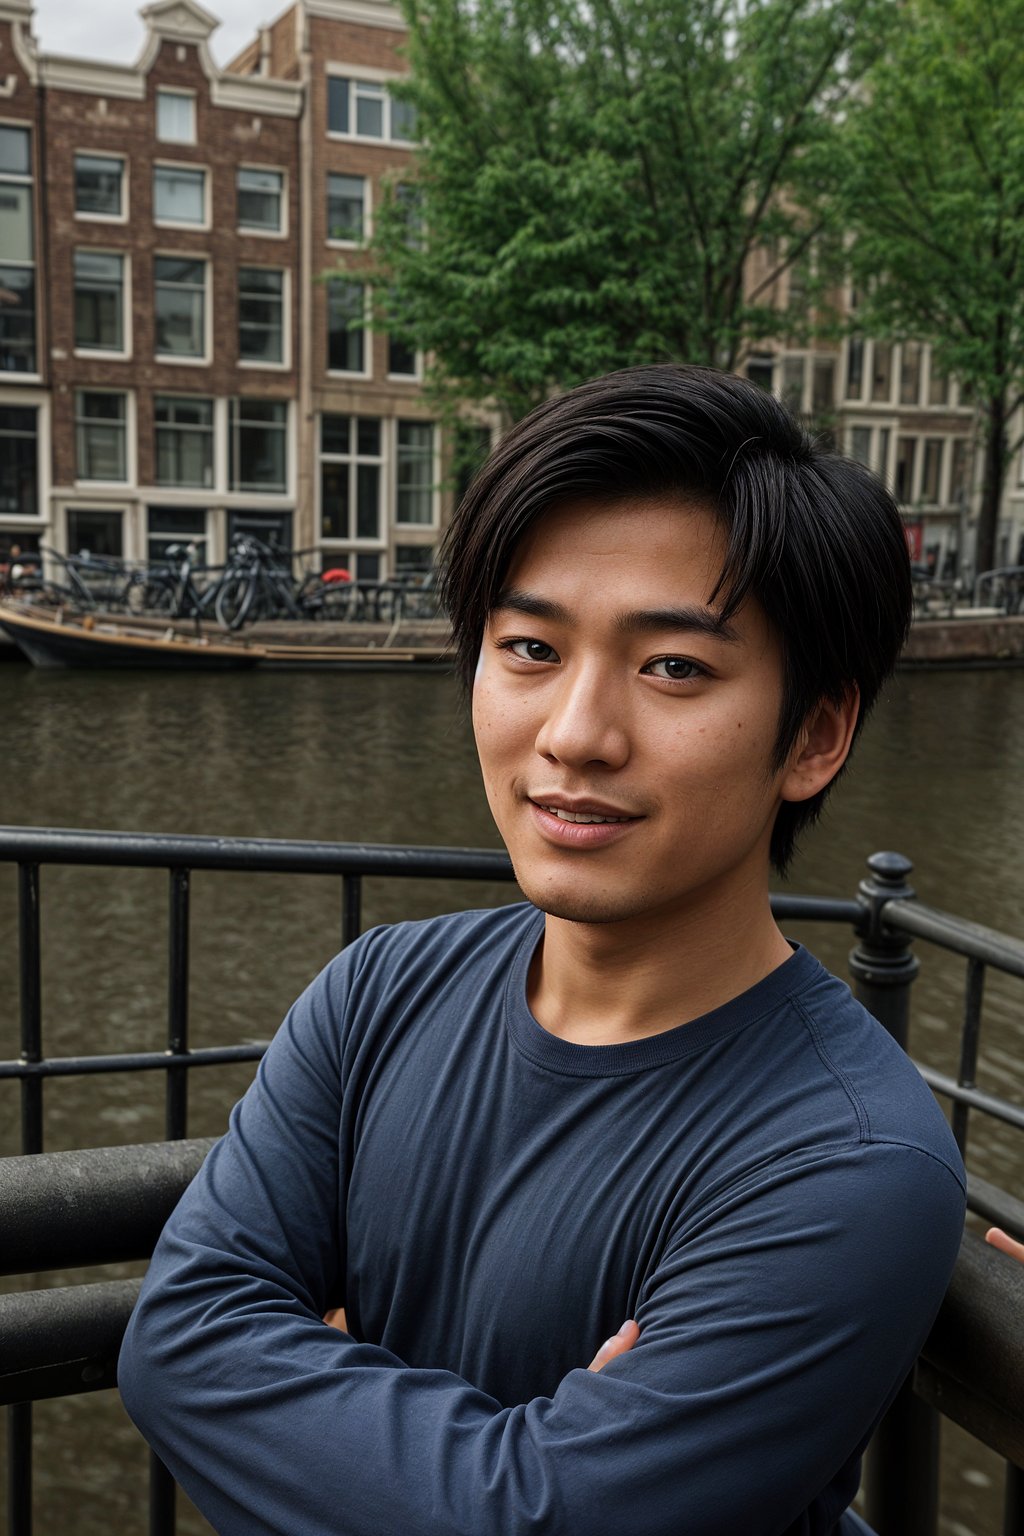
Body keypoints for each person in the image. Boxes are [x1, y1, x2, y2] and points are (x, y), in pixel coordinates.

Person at [118, 364, 966, 1536]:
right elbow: (178, 1340)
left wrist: (312, 1411)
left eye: (673, 667)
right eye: (528, 647)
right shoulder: (378, 992)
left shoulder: (845, 1160)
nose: (574, 734)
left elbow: (540, 1519)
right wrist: (500, 1453)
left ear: (814, 735)